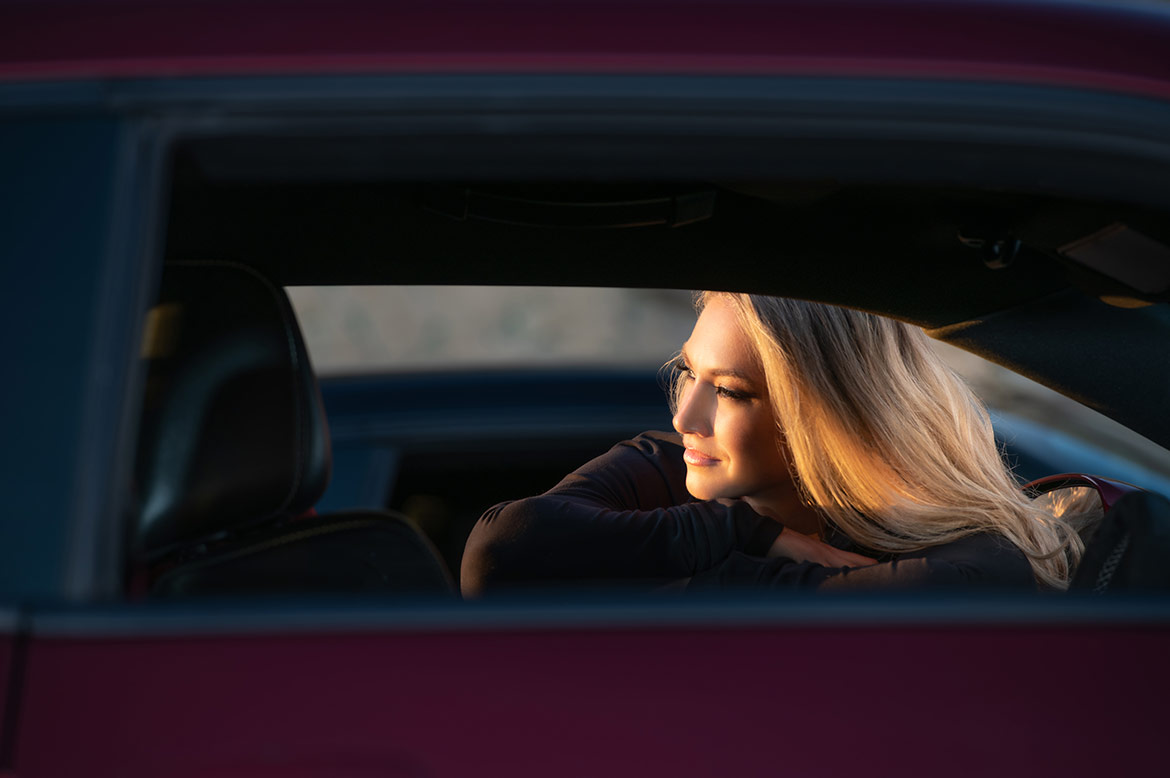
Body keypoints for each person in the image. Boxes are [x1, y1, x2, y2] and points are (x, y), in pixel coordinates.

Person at [460, 292, 1087, 596]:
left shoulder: (960, 564)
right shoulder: (682, 465)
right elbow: (500, 550)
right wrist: (744, 533)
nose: (686, 417)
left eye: (730, 391)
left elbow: (978, 583)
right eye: (688, 374)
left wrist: (723, 570)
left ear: (825, 415)